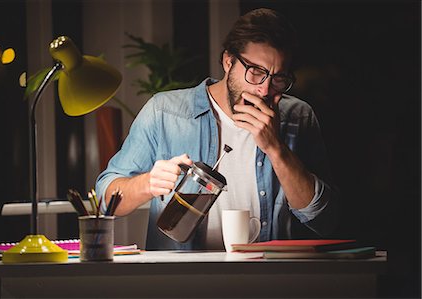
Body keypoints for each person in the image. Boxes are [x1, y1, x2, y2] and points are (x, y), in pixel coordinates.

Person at [96, 8, 340, 250]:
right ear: (228, 61)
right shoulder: (164, 112)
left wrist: (276, 149)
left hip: (268, 278)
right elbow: (106, 200)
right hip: (183, 281)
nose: (264, 90)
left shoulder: (298, 116)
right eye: (256, 72)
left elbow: (324, 218)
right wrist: (147, 183)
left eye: (278, 78)